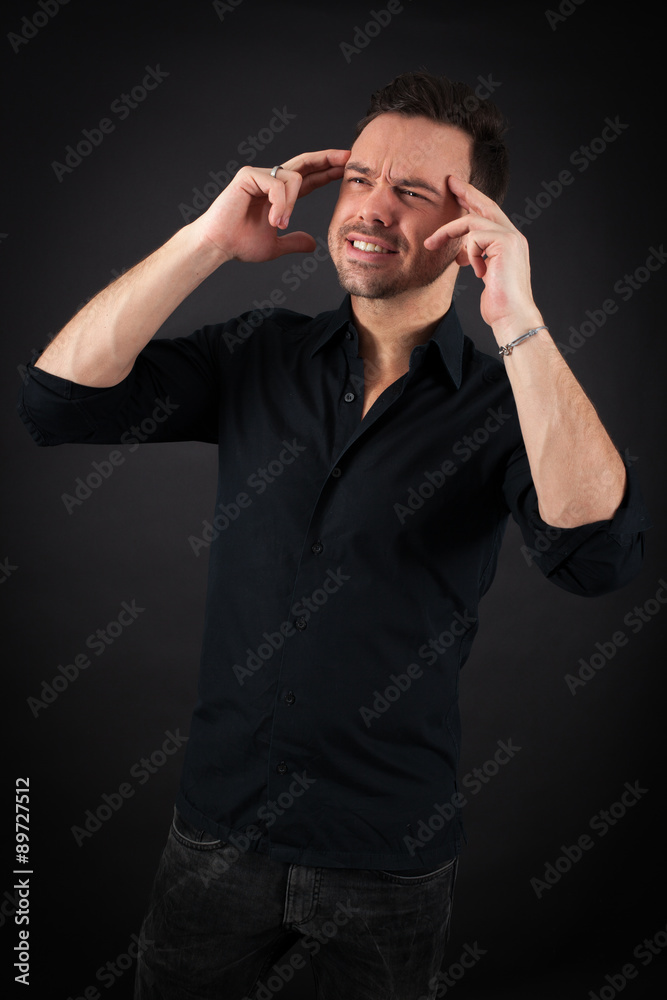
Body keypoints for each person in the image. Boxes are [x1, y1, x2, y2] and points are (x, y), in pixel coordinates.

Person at [17, 72, 649, 1000]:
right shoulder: (257, 352)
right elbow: (55, 404)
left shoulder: (509, 403)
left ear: (471, 223)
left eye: (412, 191)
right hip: (214, 839)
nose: (371, 207)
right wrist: (205, 242)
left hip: (388, 862)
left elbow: (598, 559)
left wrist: (518, 318)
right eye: (359, 178)